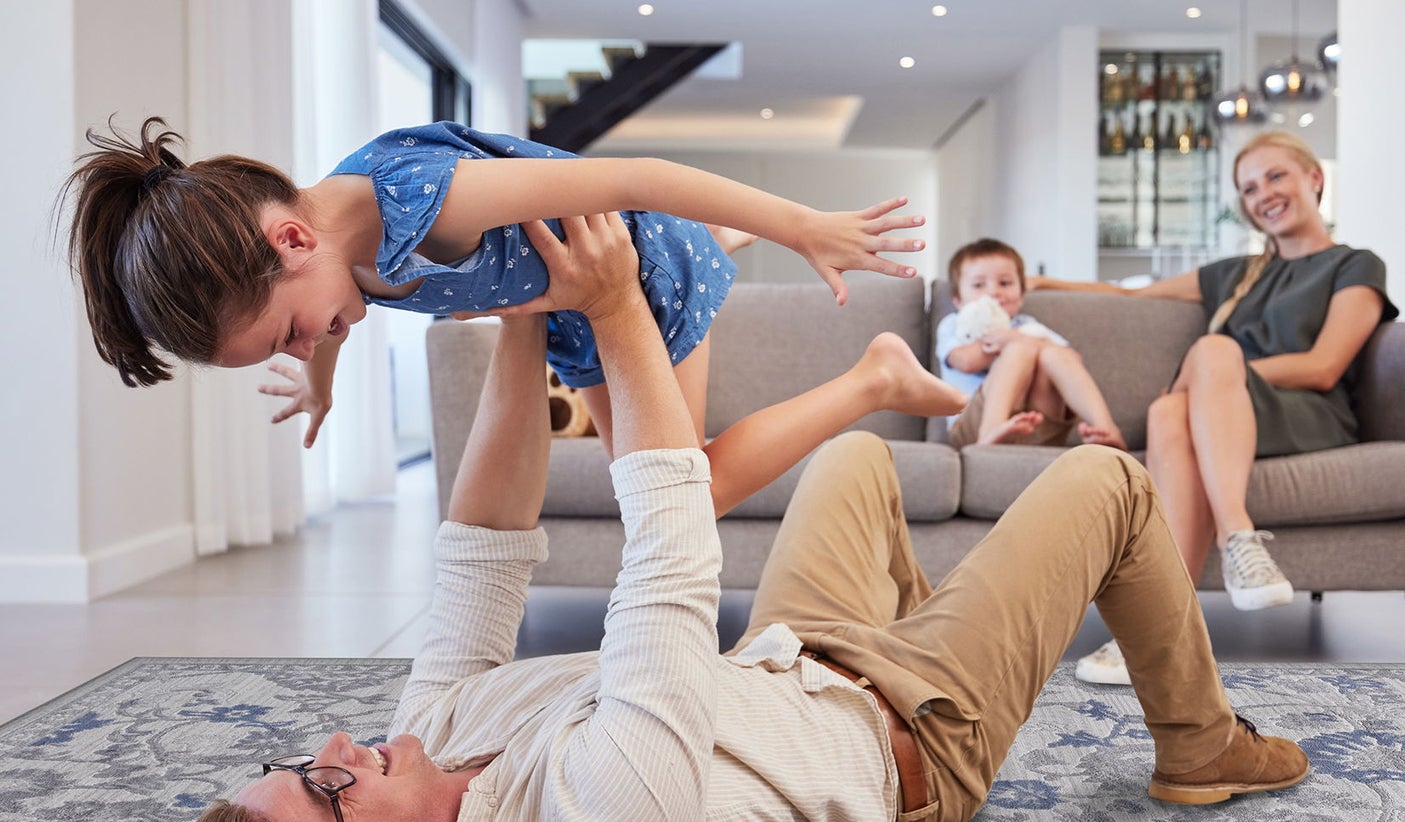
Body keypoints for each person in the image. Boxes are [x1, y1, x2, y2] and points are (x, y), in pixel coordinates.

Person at [178, 211, 1309, 822]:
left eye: (301, 756)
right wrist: (615, 313)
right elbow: (668, 557)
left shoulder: (419, 753)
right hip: (910, 734)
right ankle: (1200, 743)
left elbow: (479, 554)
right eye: (324, 783)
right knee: (1108, 482)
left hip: (792, 658)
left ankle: (940, 619)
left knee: (854, 466)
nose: (337, 743)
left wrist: (525, 310)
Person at [63, 118, 923, 514]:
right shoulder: (331, 252)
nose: (313, 340)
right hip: (567, 313)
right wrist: (318, 382)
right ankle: (719, 244)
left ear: (290, 238)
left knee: (680, 496)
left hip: (636, 278)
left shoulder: (436, 201)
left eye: (292, 333)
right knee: (662, 488)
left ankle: (873, 373)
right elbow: (331, 316)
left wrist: (805, 226)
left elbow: (638, 176)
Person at [1032, 131, 1398, 686]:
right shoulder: (1235, 273)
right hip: (1220, 413)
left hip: (1305, 413)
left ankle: (1237, 537)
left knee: (1212, 352)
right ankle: (1157, 627)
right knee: (1165, 413)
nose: (1263, 195)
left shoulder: (1355, 265)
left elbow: (1324, 364)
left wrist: (1215, 374)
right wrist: (1041, 284)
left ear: (1314, 179)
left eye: (1276, 177)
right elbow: (1132, 297)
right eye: (1249, 189)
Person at [937, 238, 1127, 449]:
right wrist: (1007, 342)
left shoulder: (1027, 326)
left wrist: (1021, 338)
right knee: (1021, 348)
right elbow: (964, 361)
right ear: (958, 300)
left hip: (1038, 425)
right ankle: (992, 428)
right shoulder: (953, 324)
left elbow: (1071, 360)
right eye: (978, 285)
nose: (993, 292)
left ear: (1021, 296)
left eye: (1005, 283)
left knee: (1050, 353)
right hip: (973, 427)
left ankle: (1106, 427)